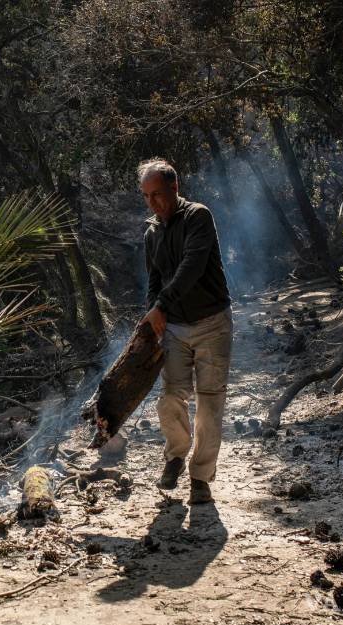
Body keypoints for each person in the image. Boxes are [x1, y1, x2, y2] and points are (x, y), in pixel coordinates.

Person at [138, 158, 233, 505]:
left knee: (210, 403)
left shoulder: (198, 216)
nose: (153, 203)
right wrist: (154, 315)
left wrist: (161, 304)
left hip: (212, 323)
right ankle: (176, 456)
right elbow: (154, 279)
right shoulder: (151, 231)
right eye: (146, 196)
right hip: (175, 328)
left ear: (174, 188)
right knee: (169, 398)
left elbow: (192, 267)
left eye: (158, 194)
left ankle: (201, 478)